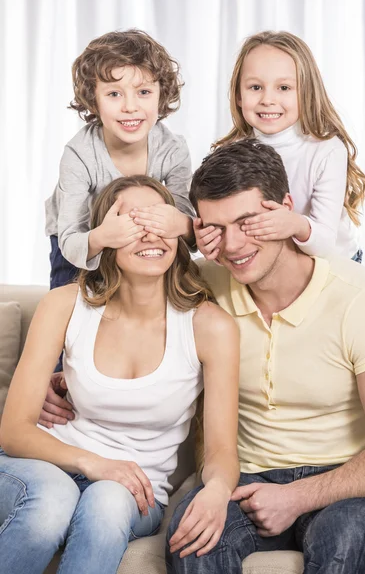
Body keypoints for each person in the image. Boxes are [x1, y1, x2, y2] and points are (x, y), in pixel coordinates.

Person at [166, 139, 365, 574]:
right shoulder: (203, 287)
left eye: (248, 221)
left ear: (286, 208)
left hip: (348, 482)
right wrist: (68, 376)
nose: (233, 245)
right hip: (245, 476)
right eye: (217, 227)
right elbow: (122, 306)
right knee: (191, 538)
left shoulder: (361, 300)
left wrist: (299, 496)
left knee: (342, 540)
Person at [0, 176, 239, 574]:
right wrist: (92, 462)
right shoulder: (63, 305)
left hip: (134, 491)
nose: (150, 236)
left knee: (108, 500)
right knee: (54, 497)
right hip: (43, 466)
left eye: (160, 222)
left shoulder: (211, 328)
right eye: (132, 224)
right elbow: (14, 430)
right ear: (104, 236)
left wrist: (216, 490)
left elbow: (220, 451)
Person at [195, 31, 365, 263]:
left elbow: (325, 243)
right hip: (277, 267)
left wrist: (295, 224)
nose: (268, 99)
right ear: (238, 95)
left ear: (306, 93)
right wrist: (208, 241)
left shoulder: (326, 150)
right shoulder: (231, 151)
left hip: (335, 264)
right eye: (255, 87)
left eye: (284, 88)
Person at [46, 29, 195, 292]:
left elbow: (185, 222)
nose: (130, 106)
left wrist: (182, 224)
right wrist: (102, 236)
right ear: (94, 99)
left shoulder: (172, 150)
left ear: (161, 94)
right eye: (114, 94)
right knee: (68, 301)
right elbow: (70, 241)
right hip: (80, 237)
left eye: (144, 92)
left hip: (133, 239)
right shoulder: (79, 155)